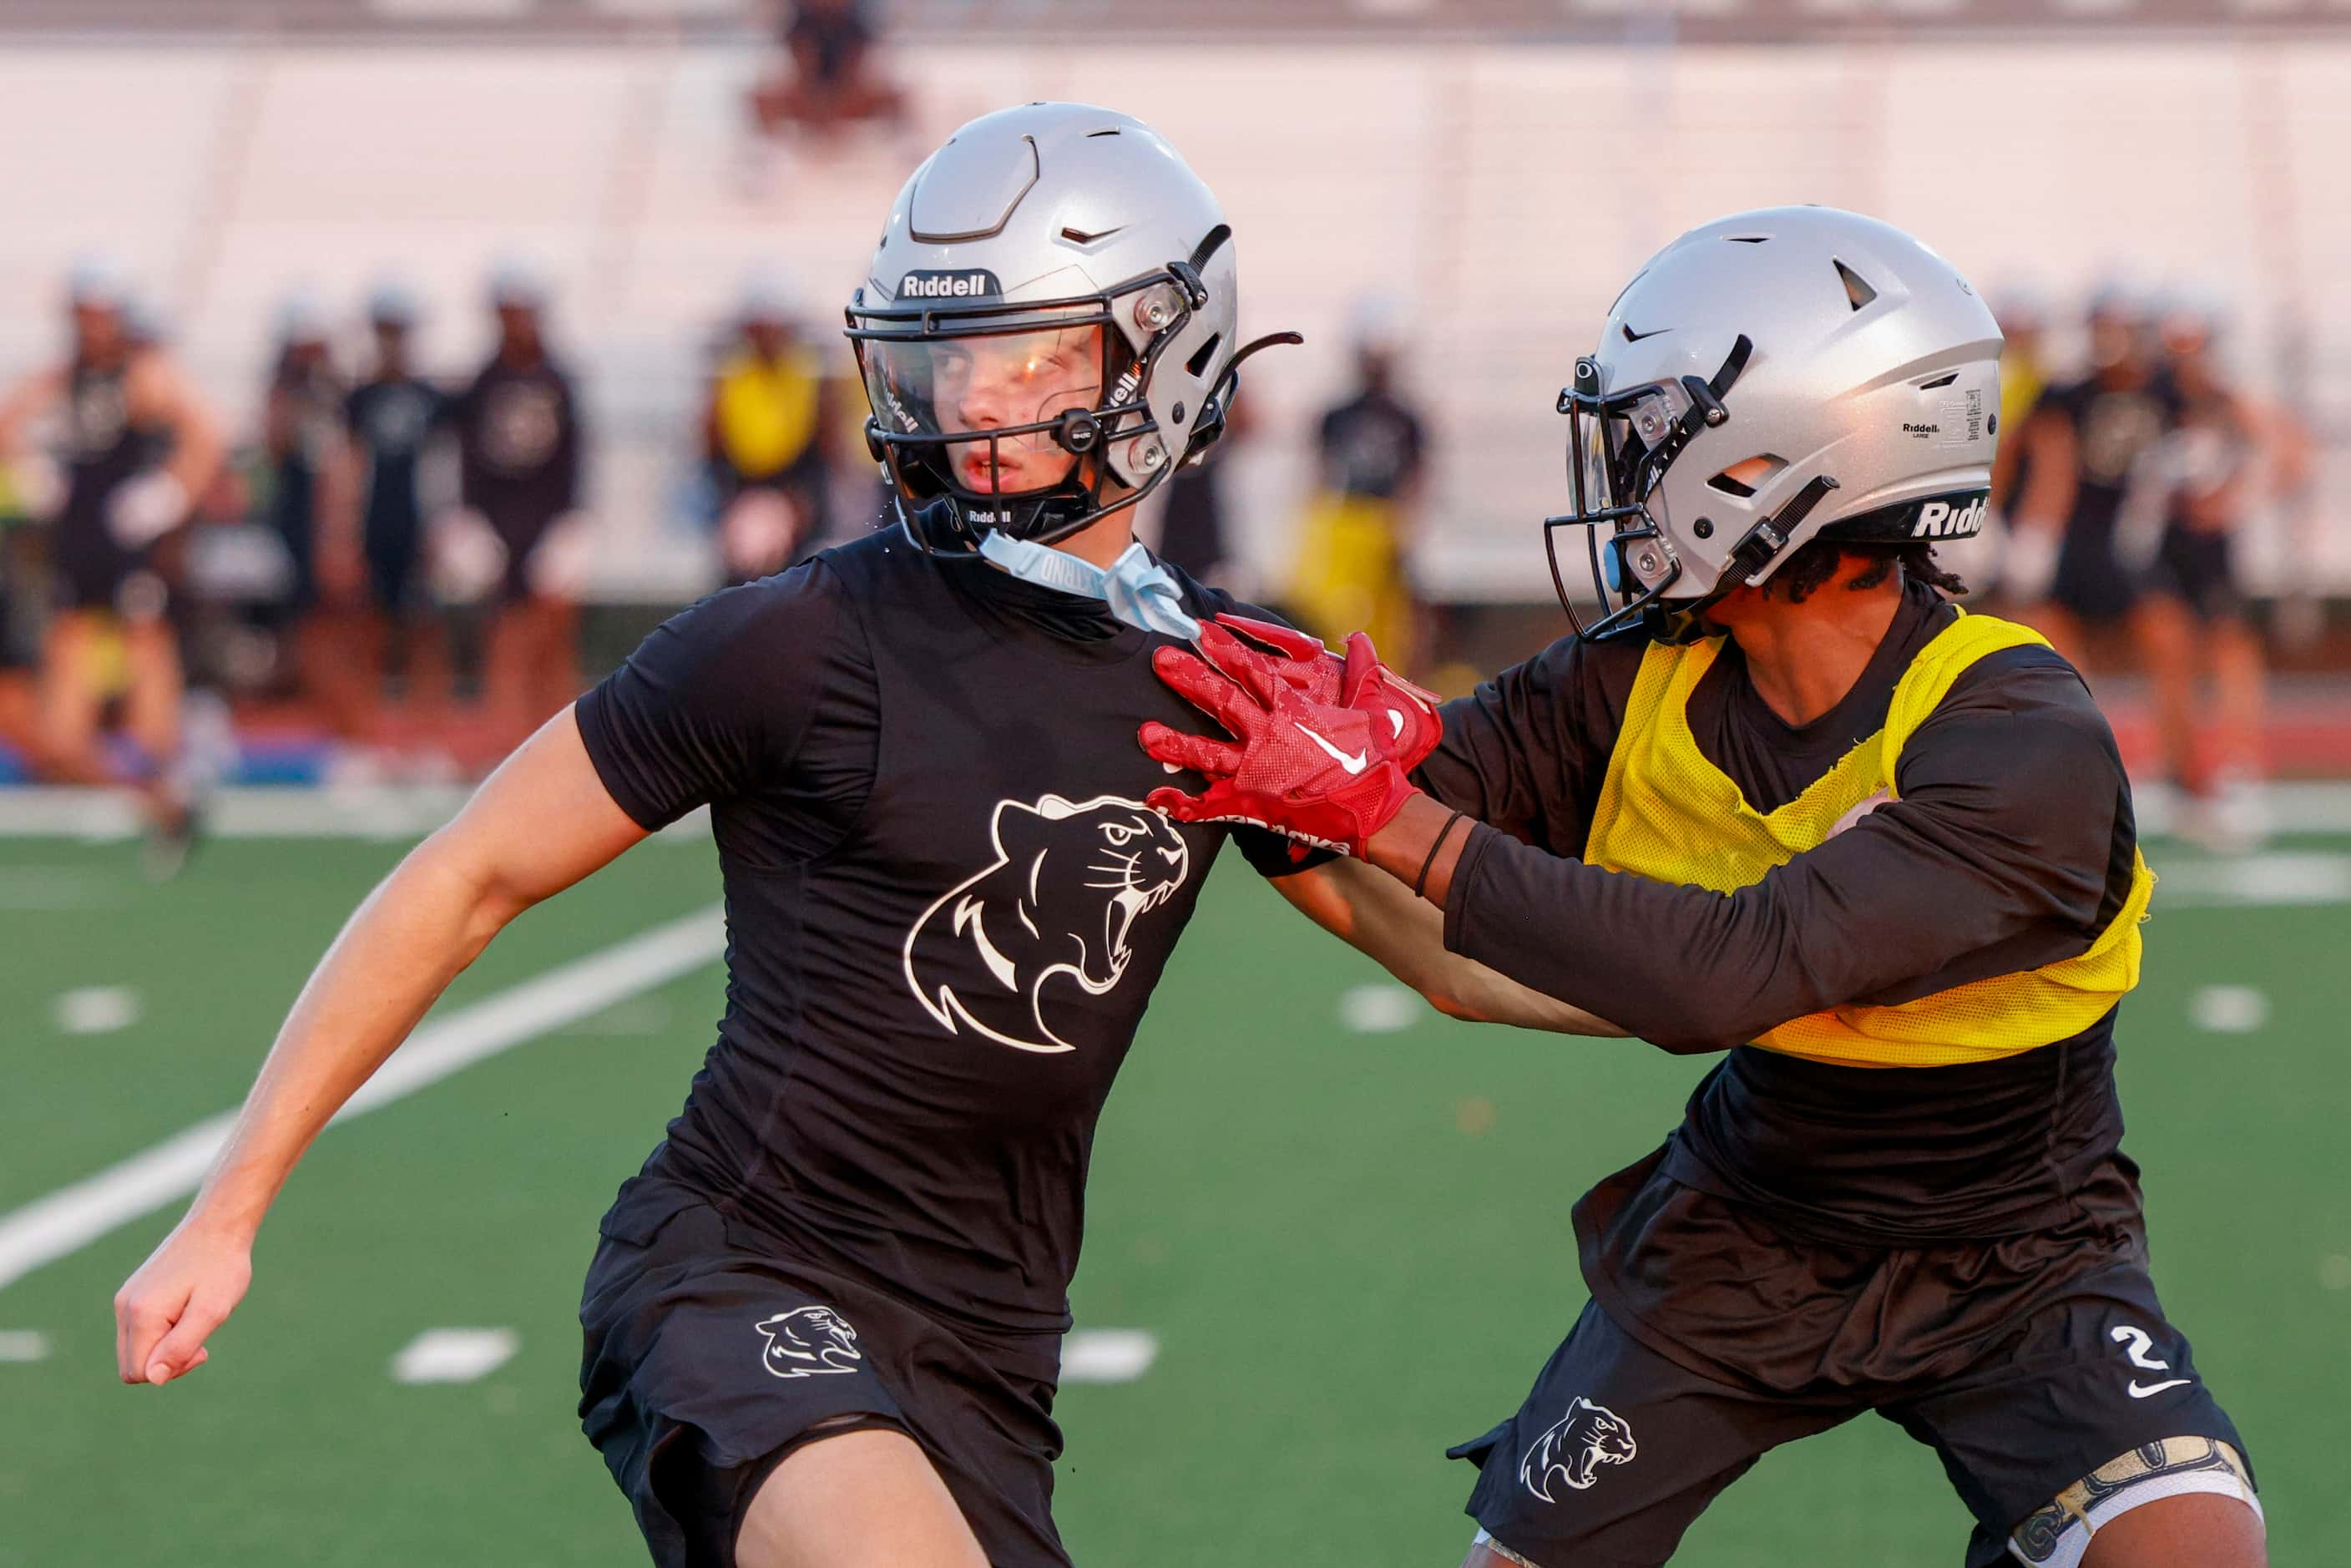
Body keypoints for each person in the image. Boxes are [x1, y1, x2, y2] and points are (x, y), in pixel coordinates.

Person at [108, 103, 1588, 1568]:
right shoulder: (792, 641)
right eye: (948, 361)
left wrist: (1747, 988)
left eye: (1036, 354)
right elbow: (468, 872)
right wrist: (224, 1211)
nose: (977, 402)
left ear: (1167, 355)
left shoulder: (1227, 681)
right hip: (738, 1269)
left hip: (986, 1340)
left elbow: (1451, 957)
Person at [1143, 208, 2264, 1568]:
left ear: (1790, 458)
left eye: (1654, 432)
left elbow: (1727, 970)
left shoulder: (2018, 735)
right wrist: (1227, 704)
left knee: (2190, 1549)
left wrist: (1385, 818)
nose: (1623, 469)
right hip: (1745, 1233)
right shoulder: (1639, 674)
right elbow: (1407, 813)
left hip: (2021, 1255)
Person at [0, 258, 224, 874]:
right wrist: (27, 472)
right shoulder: (61, 377)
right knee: (64, 699)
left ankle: (164, 784)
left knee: (146, 656)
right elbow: (8, 424)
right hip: (78, 547)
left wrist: (170, 493)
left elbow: (205, 434)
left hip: (130, 549)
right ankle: (141, 797)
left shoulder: (142, 374)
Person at [2136, 296, 2269, 849]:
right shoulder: (2152, 397)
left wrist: (2235, 497)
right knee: (2169, 652)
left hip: (2212, 546)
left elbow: (2283, 448)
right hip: (2164, 541)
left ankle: (2239, 769)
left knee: (2229, 650)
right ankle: (2179, 772)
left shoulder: (2223, 397)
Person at [442, 263, 587, 731]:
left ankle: (560, 727)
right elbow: (470, 455)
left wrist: (571, 520)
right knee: (503, 625)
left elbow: (573, 456)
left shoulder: (558, 378)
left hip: (550, 515)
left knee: (553, 623)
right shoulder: (484, 379)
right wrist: (472, 517)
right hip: (496, 518)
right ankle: (504, 728)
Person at [1288, 296, 1428, 669]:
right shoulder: (1337, 414)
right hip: (1346, 531)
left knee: (1389, 627)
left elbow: (1415, 481)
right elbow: (1319, 478)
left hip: (1381, 528)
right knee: (1337, 620)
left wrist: (1403, 529)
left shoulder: (1406, 418)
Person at [342, 281, 445, 705]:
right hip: (373, 519)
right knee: (370, 620)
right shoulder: (359, 397)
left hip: (417, 517)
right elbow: (347, 465)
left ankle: (426, 716)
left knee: (422, 620)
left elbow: (443, 465)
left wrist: (440, 524)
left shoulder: (431, 397)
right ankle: (370, 718)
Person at [258, 291, 356, 719]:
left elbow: (338, 463)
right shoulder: (294, 388)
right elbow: (276, 442)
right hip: (298, 511)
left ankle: (338, 712)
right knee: (301, 613)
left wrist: (337, 533)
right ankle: (316, 706)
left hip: (322, 514)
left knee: (327, 618)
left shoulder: (329, 390)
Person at [703, 275, 833, 584]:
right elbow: (714, 453)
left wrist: (794, 506)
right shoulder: (729, 378)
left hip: (796, 500)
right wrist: (738, 506)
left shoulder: (812, 378)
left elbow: (824, 458)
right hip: (741, 495)